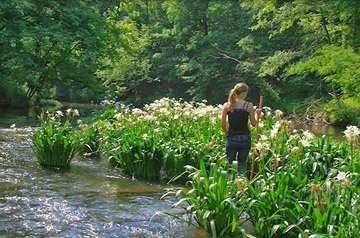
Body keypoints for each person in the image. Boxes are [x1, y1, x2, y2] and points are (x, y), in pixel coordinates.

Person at [221, 83, 260, 174]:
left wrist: (227, 133)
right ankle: (242, 185)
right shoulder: (249, 105)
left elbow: (223, 124)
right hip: (245, 138)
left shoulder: (227, 105)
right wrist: (257, 115)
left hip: (232, 137)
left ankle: (230, 185)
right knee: (241, 165)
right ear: (244, 93)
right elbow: (254, 124)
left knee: (230, 165)